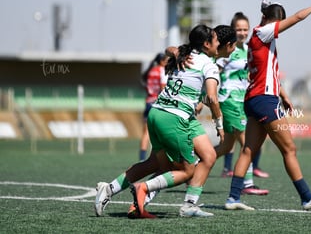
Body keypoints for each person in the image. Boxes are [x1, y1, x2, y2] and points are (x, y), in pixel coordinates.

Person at [94, 25, 237, 218]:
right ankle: (143, 189)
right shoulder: (208, 64)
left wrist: (176, 52)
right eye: (218, 40)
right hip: (175, 117)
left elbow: (171, 50)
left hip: (159, 112)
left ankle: (110, 189)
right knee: (187, 170)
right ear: (208, 44)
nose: (222, 44)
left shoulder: (188, 55)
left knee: (202, 157)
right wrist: (219, 123)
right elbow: (212, 98)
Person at [224, 0, 311, 211]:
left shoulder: (261, 39)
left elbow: (269, 73)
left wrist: (284, 95)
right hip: (264, 101)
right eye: (277, 23)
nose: (279, 28)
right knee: (289, 148)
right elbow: (297, 18)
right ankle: (306, 197)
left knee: (248, 151)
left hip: (255, 99)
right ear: (269, 20)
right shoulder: (262, 32)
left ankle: (233, 198)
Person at [215, 12, 269, 195]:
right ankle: (247, 184)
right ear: (232, 30)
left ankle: (194, 166)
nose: (242, 32)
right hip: (229, 100)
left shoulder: (249, 49)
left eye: (245, 29)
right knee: (248, 143)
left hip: (243, 102)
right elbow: (212, 74)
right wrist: (204, 97)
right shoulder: (227, 50)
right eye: (238, 29)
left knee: (226, 147)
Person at [139, 52, 169, 161]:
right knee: (161, 133)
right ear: (162, 61)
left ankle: (142, 159)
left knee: (145, 133)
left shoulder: (151, 71)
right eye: (166, 60)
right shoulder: (162, 70)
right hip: (157, 104)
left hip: (148, 102)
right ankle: (160, 159)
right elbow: (163, 88)